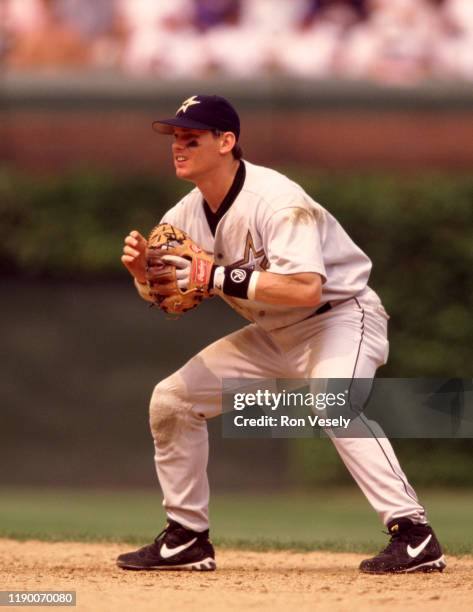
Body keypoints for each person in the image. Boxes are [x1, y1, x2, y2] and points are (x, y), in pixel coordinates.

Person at [117, 94, 446, 574]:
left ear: (227, 142)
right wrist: (143, 276)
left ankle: (415, 535)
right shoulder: (183, 215)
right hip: (272, 334)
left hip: (341, 318)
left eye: (192, 138)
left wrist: (214, 275)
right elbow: (170, 297)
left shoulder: (278, 201)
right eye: (175, 138)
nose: (178, 147)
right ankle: (186, 537)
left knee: (333, 401)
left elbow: (306, 289)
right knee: (171, 400)